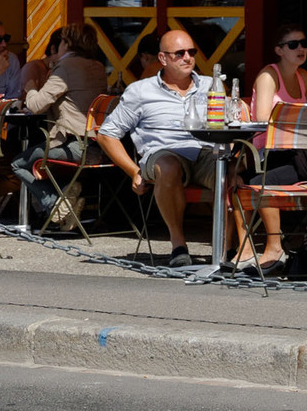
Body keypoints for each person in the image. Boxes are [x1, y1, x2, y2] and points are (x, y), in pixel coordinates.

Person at [93, 29, 217, 270]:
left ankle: (230, 247)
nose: (187, 58)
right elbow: (107, 134)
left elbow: (232, 120)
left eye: (191, 52)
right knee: (167, 165)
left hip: (204, 151)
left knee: (230, 170)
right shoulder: (141, 91)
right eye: (179, 53)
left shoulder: (211, 85)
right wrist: (133, 171)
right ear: (162, 58)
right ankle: (178, 244)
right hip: (162, 153)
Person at [244, 24, 307, 269]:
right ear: (279, 50)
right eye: (293, 44)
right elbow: (263, 119)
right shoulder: (269, 76)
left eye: (304, 43)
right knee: (254, 182)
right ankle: (270, 247)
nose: (301, 48)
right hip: (270, 151)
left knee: (257, 182)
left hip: (299, 153)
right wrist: (299, 122)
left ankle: (279, 247)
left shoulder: (304, 76)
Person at [22, 23, 110, 150]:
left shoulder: (66, 67)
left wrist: (31, 89)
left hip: (71, 142)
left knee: (18, 161)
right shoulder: (98, 67)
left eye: (62, 41)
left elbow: (36, 105)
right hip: (96, 142)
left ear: (67, 43)